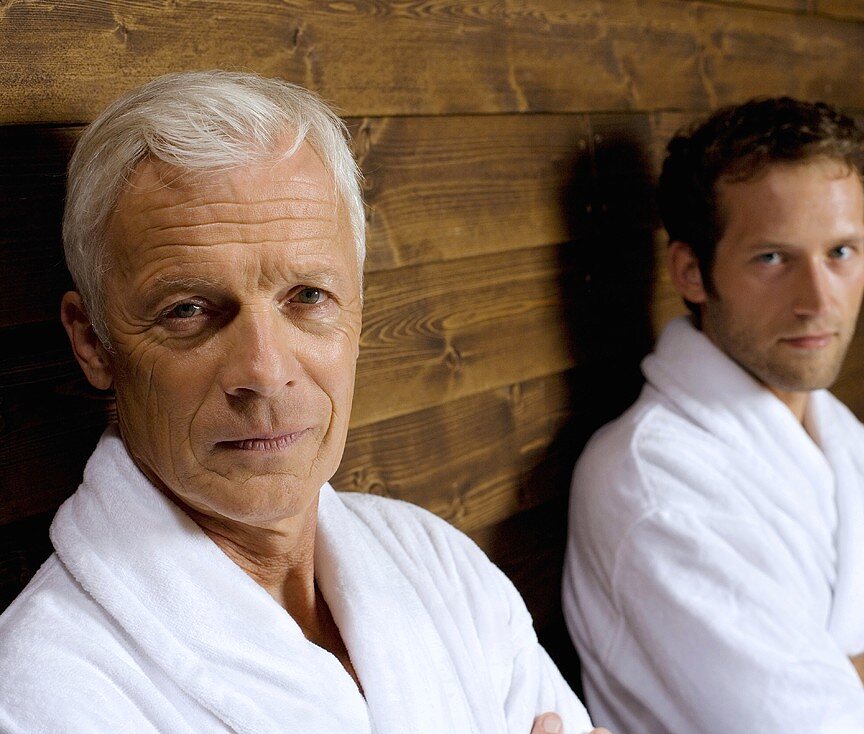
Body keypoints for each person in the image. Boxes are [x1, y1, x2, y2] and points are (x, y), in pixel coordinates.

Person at [0, 70, 602, 734]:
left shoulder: (435, 563)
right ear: (93, 343)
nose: (264, 371)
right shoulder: (45, 692)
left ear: (359, 313)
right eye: (189, 310)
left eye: (308, 297)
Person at [562, 97, 864, 733]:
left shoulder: (837, 437)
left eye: (841, 252)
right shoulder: (650, 483)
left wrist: (838, 674)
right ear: (692, 272)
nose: (818, 300)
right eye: (773, 258)